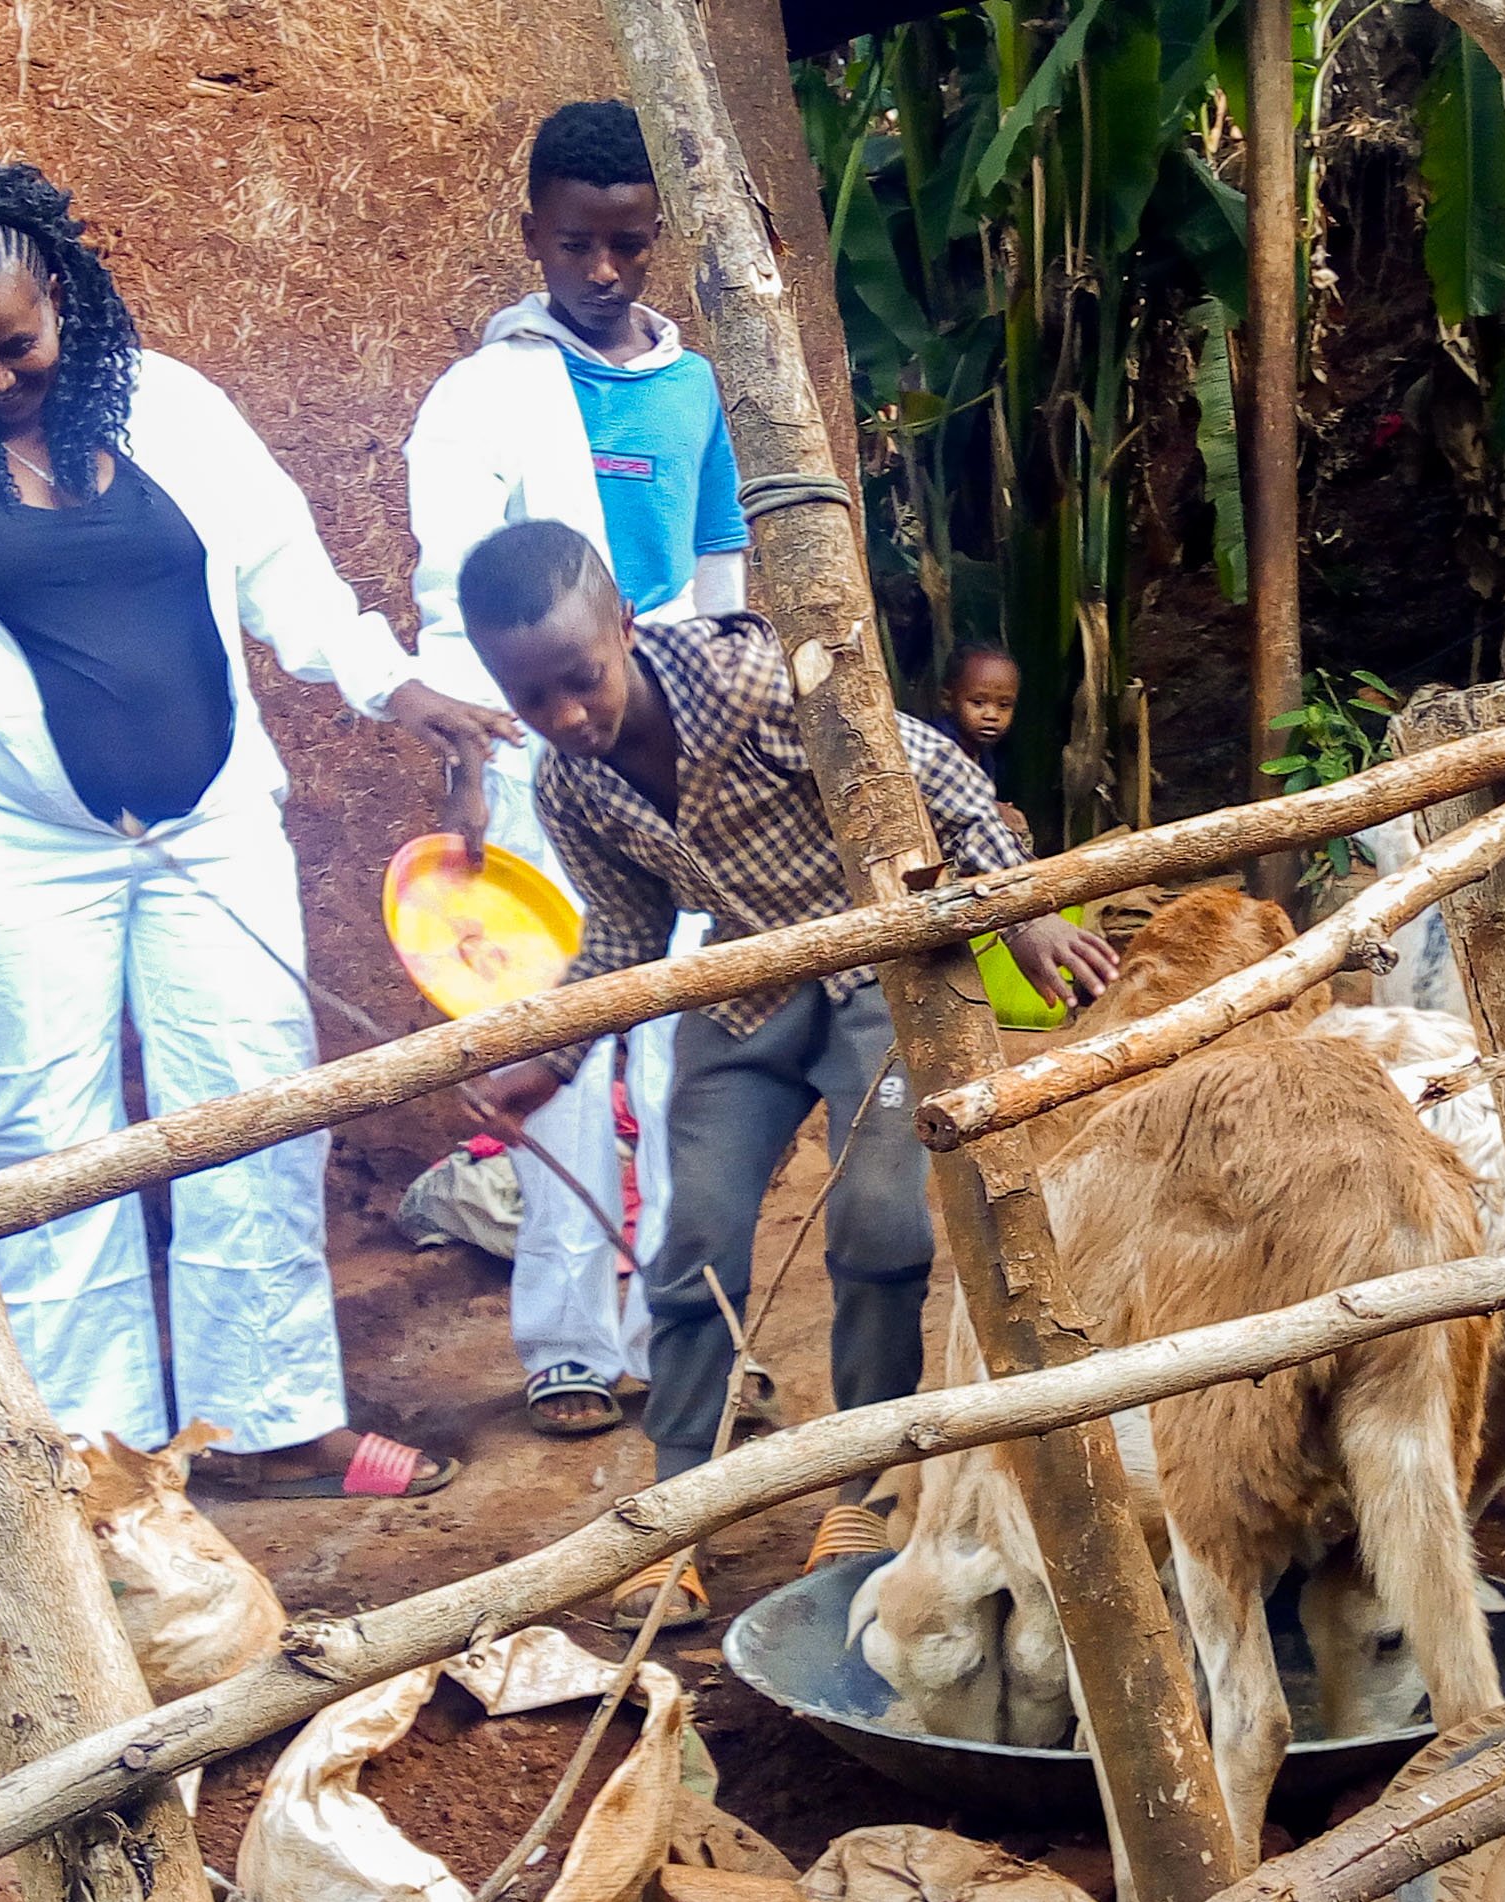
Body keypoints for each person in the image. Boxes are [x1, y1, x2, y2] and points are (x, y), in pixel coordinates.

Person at [0, 162, 455, 1500]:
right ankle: (98, 1454)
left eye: (14, 344)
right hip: (9, 857)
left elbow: (291, 590)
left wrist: (398, 687)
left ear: (62, 300)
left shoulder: (179, 413)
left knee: (255, 1106)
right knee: (43, 1149)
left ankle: (273, 1419)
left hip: (208, 838)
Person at [452, 521, 1118, 1624]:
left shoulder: (754, 681)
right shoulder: (570, 787)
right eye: (532, 700)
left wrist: (1024, 910)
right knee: (694, 1239)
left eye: (581, 679)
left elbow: (940, 774)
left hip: (877, 974)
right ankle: (680, 1507)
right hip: (744, 988)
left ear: (626, 624)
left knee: (879, 1228)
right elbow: (623, 938)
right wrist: (546, 1062)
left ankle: (864, 1485)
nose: (566, 715)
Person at [380, 100, 745, 1444]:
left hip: (670, 756)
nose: (603, 272)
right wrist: (471, 766)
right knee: (562, 1047)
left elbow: (719, 582)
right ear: (531, 229)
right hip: (539, 762)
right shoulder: (480, 398)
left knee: (684, 1056)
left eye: (630, 247)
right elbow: (451, 598)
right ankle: (567, 1342)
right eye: (578, 244)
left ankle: (687, 1330)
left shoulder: (695, 388)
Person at [937, 644, 1031, 850]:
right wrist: (992, 809)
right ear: (947, 700)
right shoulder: (938, 748)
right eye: (978, 702)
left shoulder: (985, 755)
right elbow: (945, 799)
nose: (992, 715)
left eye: (1004, 705)